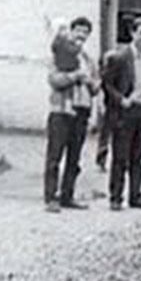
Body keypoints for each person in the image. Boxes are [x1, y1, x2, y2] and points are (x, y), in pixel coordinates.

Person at [100, 16, 141, 211]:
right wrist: (122, 100)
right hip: (126, 111)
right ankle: (116, 197)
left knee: (138, 156)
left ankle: (136, 195)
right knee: (121, 156)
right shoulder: (120, 57)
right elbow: (107, 84)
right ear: (132, 33)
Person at [42, 17, 95, 212]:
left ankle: (68, 195)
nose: (81, 35)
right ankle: (51, 197)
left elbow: (96, 86)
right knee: (55, 156)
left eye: (85, 32)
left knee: (74, 157)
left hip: (82, 110)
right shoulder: (58, 52)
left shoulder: (88, 58)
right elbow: (54, 79)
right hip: (60, 110)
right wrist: (74, 77)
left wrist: (90, 82)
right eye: (78, 31)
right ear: (70, 32)